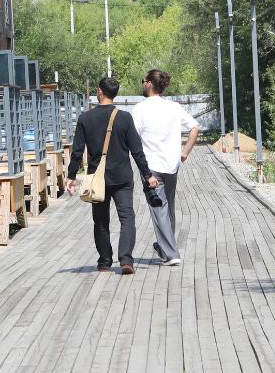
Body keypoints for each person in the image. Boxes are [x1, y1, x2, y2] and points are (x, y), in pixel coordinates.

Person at [65, 76, 158, 274]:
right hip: (122, 178)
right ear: (115, 94)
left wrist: (71, 176)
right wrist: (148, 174)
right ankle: (126, 260)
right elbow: (137, 151)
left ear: (99, 91)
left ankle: (104, 262)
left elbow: (77, 151)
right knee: (127, 218)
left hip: (96, 180)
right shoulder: (124, 118)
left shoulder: (85, 118)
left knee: (100, 221)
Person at [132, 68, 200, 266]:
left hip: (151, 167)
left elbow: (133, 139)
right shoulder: (174, 107)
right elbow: (195, 128)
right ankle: (164, 248)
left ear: (149, 83)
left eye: (143, 81)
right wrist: (185, 152)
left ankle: (171, 254)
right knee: (168, 207)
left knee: (158, 208)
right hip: (172, 165)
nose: (142, 84)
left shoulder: (140, 109)